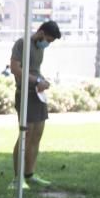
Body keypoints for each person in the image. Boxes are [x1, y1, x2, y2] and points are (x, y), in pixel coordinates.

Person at [10, 20, 61, 188]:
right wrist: (36, 80)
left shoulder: (40, 49)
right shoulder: (22, 44)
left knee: (37, 134)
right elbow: (16, 69)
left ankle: (30, 174)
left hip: (38, 95)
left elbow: (34, 70)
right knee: (26, 134)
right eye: (48, 40)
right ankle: (18, 179)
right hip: (25, 94)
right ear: (41, 32)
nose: (47, 44)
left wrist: (43, 80)